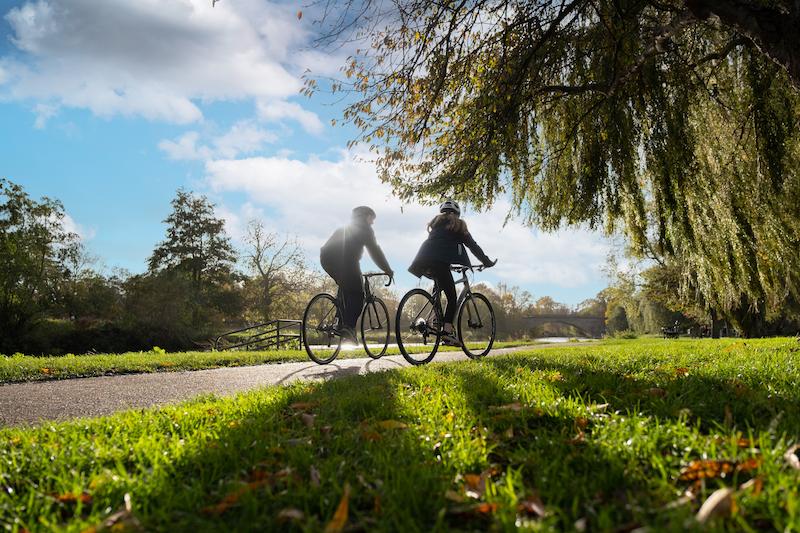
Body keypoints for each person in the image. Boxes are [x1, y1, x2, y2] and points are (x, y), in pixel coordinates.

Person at [408, 200, 496, 346]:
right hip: (440, 262)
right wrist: (487, 262)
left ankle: (437, 320)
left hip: (424, 260)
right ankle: (447, 333)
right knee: (452, 298)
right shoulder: (458, 225)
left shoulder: (435, 223)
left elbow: (440, 245)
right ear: (457, 213)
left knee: (439, 288)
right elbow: (473, 246)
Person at [320, 206, 394, 343]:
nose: (372, 223)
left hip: (326, 258)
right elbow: (375, 251)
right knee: (359, 295)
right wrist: (387, 270)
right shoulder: (365, 228)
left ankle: (338, 323)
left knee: (346, 289)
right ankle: (348, 327)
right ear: (366, 216)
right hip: (345, 259)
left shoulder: (346, 226)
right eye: (372, 219)